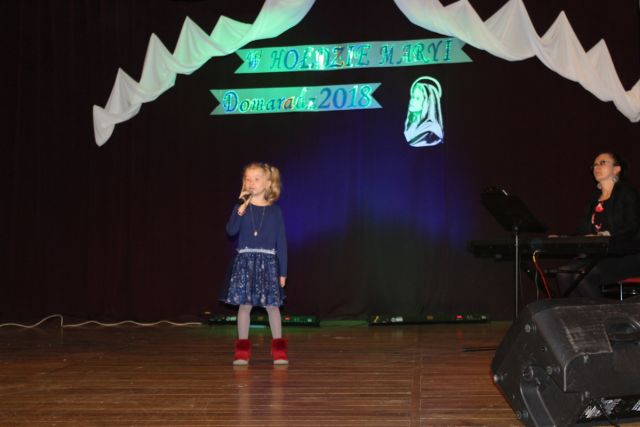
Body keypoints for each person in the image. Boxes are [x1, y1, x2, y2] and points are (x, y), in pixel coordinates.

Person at [221, 162, 288, 365]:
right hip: (246, 262)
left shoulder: (275, 211)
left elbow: (281, 242)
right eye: (247, 179)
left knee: (272, 306)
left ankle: (279, 351)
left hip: (268, 263)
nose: (251, 183)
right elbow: (231, 231)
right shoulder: (240, 208)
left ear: (268, 183)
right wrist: (240, 209)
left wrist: (283, 271)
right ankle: (242, 351)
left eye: (256, 179)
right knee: (245, 305)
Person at [556, 152, 640, 298]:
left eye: (602, 163)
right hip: (602, 256)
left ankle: (603, 313)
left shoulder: (627, 193)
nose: (596, 167)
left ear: (616, 169)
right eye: (594, 165)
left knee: (583, 278)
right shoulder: (594, 200)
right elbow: (583, 231)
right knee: (563, 274)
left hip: (627, 255)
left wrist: (605, 235)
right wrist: (563, 238)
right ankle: (576, 313)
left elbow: (632, 227)